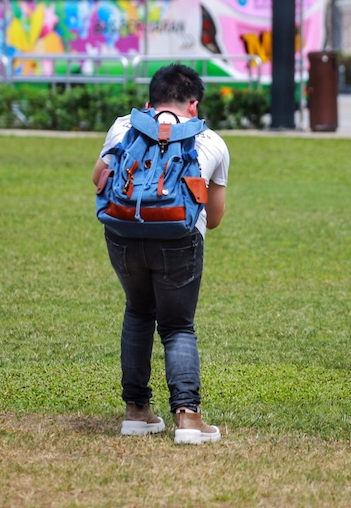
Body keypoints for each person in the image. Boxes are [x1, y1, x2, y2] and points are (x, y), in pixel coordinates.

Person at [92, 63, 229, 445]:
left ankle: (136, 412)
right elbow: (214, 217)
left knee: (138, 312)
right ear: (194, 105)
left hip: (122, 234)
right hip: (179, 241)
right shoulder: (211, 141)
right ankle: (187, 419)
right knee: (177, 325)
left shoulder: (124, 126)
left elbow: (97, 178)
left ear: (149, 102)